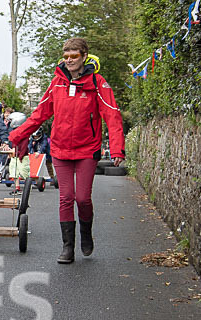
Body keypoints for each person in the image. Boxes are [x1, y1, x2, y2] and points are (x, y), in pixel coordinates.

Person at [8, 37, 125, 264]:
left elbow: (112, 115)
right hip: (60, 149)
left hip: (87, 150)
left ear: (84, 57)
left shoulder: (98, 83)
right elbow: (39, 114)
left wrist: (118, 148)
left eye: (74, 56)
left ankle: (86, 233)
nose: (69, 60)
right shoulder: (57, 84)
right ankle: (67, 247)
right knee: (66, 197)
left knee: (82, 198)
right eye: (66, 56)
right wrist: (15, 136)